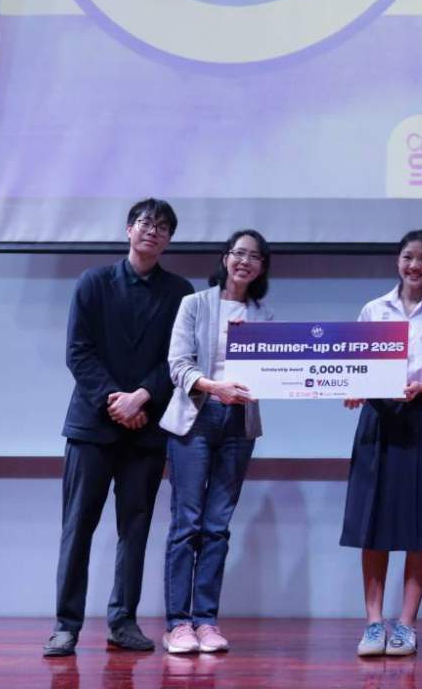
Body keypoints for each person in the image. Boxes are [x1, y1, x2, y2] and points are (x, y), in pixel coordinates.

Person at [43, 199, 193, 658]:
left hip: (145, 429)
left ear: (169, 239)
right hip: (92, 426)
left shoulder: (180, 292)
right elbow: (78, 351)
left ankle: (123, 622)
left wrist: (141, 396)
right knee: (78, 527)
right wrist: (115, 400)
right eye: (146, 222)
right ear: (129, 229)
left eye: (163, 227)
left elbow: (177, 359)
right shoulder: (93, 282)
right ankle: (66, 625)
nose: (153, 231)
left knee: (135, 528)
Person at [340, 230, 422, 658]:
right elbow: (355, 367)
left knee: (420, 526)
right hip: (378, 419)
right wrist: (353, 388)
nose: (415, 266)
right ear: (398, 261)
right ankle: (374, 623)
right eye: (409, 257)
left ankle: (407, 625)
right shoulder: (374, 309)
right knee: (372, 524)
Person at [160, 228, 275, 654]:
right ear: (225, 258)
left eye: (254, 256)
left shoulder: (265, 317)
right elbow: (178, 364)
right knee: (187, 523)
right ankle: (178, 624)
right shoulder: (194, 304)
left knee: (217, 527)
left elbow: (276, 372)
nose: (245, 261)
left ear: (262, 268)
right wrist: (214, 387)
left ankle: (206, 621)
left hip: (239, 425)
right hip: (197, 418)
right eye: (239, 253)